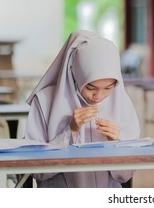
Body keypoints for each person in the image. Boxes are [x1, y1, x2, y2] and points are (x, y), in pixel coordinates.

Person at [24, 30, 140, 188]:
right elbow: (36, 170)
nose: (97, 96)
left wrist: (117, 143)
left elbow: (125, 175)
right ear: (75, 73)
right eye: (90, 87)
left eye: (108, 87)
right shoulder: (45, 101)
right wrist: (69, 132)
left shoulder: (121, 103)